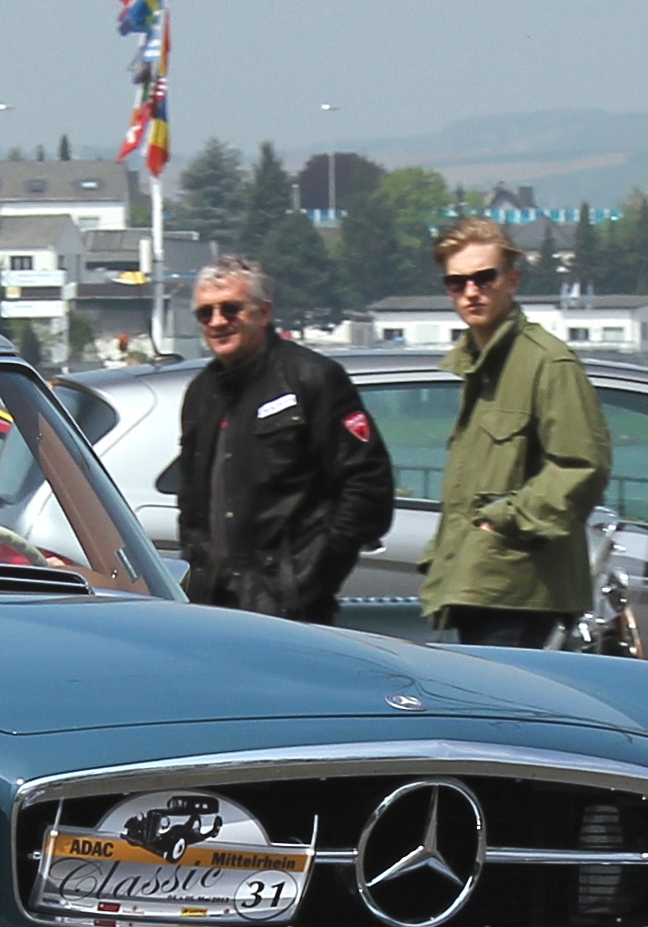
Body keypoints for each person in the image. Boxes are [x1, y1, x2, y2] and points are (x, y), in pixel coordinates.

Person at [415, 217, 612, 647]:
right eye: (457, 282)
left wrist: (499, 521)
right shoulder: (477, 366)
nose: (471, 291)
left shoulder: (547, 362)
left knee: (502, 711)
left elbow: (582, 465)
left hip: (519, 590)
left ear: (512, 280)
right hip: (476, 582)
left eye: (484, 278)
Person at [170, 253, 396, 624]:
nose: (217, 322)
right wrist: (196, 565)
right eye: (205, 313)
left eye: (231, 309)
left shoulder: (312, 378)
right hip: (213, 604)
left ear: (263, 312)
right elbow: (192, 499)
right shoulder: (201, 393)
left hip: (291, 607)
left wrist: (314, 575)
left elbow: (367, 487)